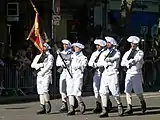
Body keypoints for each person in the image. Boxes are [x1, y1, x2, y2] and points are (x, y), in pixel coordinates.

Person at [97, 37, 124, 117]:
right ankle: (104, 109)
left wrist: (109, 59)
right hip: (105, 73)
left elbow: (116, 58)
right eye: (107, 43)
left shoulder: (116, 52)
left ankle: (119, 105)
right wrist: (104, 63)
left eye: (109, 43)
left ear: (112, 44)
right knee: (102, 92)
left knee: (115, 92)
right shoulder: (103, 52)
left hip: (113, 73)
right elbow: (99, 62)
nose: (107, 44)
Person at [121, 36, 146, 115]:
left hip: (136, 73)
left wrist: (130, 62)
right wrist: (127, 63)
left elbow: (137, 59)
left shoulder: (140, 52)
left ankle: (142, 101)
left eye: (135, 44)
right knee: (127, 90)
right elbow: (122, 63)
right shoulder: (127, 53)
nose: (133, 45)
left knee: (138, 91)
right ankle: (129, 107)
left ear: (137, 44)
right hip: (129, 73)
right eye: (132, 43)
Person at [88, 39, 112, 113]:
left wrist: (99, 64)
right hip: (96, 72)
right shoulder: (94, 53)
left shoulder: (105, 53)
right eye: (97, 45)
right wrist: (94, 65)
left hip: (104, 72)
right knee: (96, 89)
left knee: (105, 90)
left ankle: (107, 102)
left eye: (99, 45)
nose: (97, 46)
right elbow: (90, 63)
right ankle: (98, 104)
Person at [31, 43, 54, 114]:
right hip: (39, 74)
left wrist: (43, 71)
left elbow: (49, 65)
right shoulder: (38, 56)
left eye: (43, 47)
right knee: (40, 91)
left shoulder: (49, 56)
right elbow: (32, 65)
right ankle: (42, 106)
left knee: (45, 89)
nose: (42, 48)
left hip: (46, 74)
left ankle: (47, 102)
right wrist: (41, 65)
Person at [66, 43, 88, 115]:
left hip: (78, 75)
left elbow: (84, 65)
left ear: (80, 48)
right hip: (70, 75)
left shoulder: (83, 57)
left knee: (76, 91)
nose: (75, 48)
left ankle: (80, 102)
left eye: (77, 47)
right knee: (70, 92)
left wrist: (77, 66)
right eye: (74, 47)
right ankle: (71, 108)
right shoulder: (71, 56)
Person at [56, 39, 72, 112]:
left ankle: (72, 103)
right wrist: (62, 63)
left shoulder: (71, 53)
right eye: (64, 45)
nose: (65, 46)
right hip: (63, 71)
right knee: (62, 88)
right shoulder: (61, 53)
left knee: (69, 88)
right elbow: (57, 63)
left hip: (69, 71)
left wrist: (64, 59)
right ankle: (64, 103)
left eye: (66, 45)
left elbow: (69, 60)